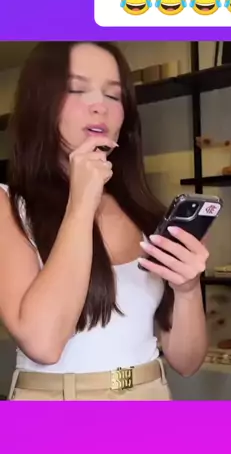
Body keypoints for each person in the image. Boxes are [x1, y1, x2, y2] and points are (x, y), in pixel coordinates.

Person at [0, 42, 210, 401]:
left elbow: (187, 362)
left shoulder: (145, 213)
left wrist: (188, 290)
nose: (100, 106)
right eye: (76, 89)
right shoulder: (9, 206)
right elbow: (43, 343)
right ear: (40, 103)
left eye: (113, 95)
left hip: (150, 395)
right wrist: (81, 204)